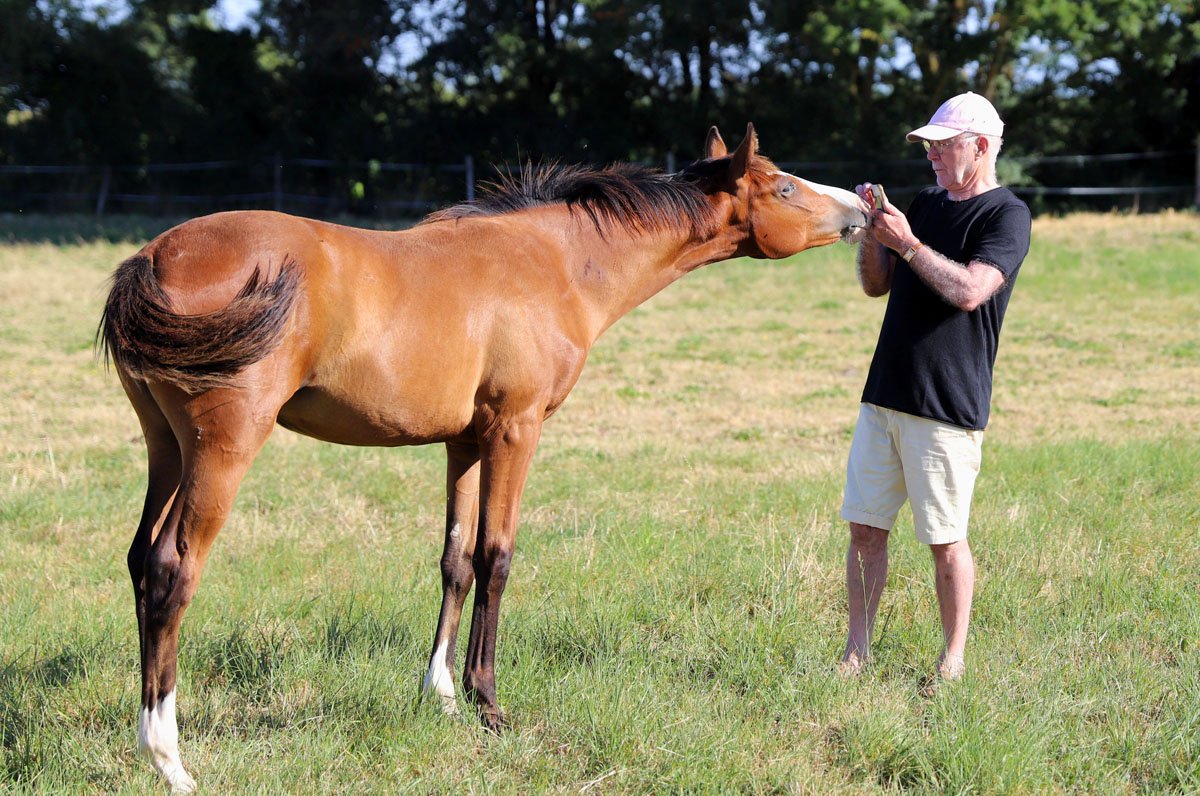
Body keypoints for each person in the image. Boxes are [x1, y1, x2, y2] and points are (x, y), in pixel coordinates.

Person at [839, 91, 1031, 683]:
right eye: (928, 147)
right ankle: (856, 651)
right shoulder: (923, 203)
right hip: (885, 395)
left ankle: (952, 659)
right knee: (865, 530)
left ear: (981, 147)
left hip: (947, 407)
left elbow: (971, 291)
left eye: (943, 146)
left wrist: (909, 244)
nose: (932, 156)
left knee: (945, 540)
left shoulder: (1007, 216)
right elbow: (876, 286)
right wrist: (874, 235)